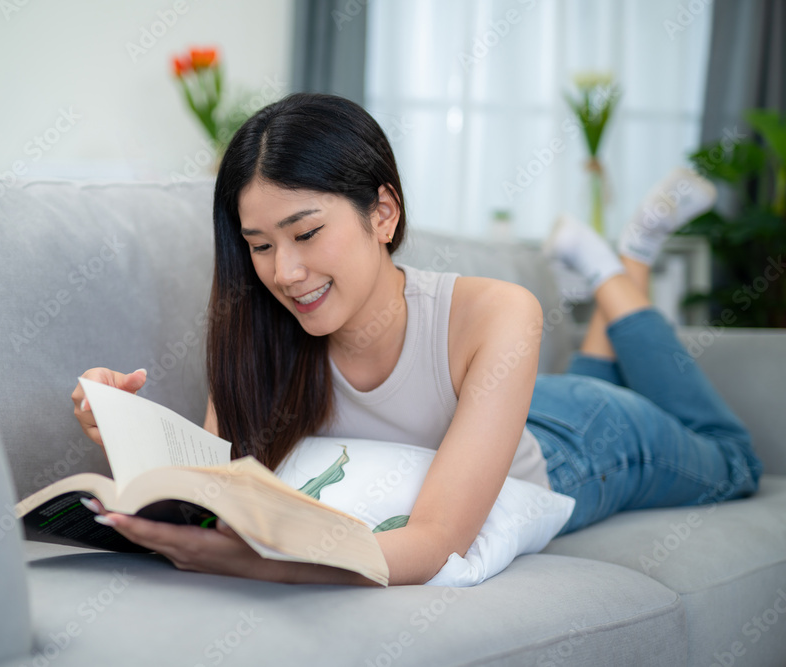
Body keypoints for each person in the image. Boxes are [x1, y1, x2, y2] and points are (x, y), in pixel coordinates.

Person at [70, 92, 764, 587]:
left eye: (307, 233)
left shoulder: (498, 312)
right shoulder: (257, 327)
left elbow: (433, 542)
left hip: (586, 443)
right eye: (260, 245)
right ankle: (616, 268)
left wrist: (259, 565)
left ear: (383, 211)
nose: (285, 272)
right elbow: (223, 485)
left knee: (734, 461)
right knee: (588, 380)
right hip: (499, 410)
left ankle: (620, 265)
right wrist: (127, 433)